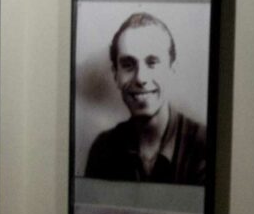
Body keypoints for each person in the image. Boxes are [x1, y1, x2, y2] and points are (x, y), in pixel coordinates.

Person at [85, 12, 206, 184]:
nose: (141, 78)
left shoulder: (204, 146)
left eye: (152, 63)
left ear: (172, 70)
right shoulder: (103, 149)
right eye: (128, 64)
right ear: (115, 75)